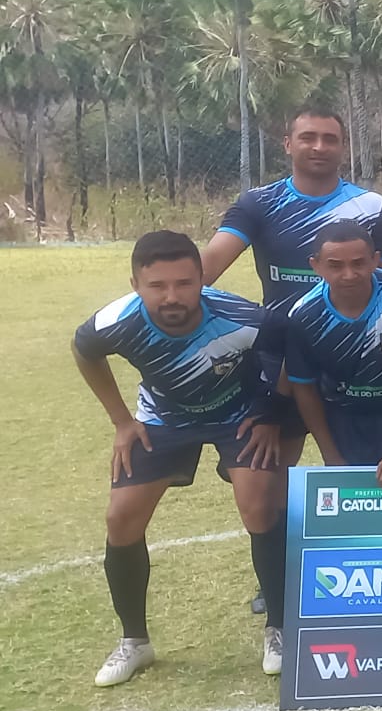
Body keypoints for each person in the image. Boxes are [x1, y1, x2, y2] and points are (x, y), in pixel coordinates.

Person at [202, 103, 382, 614]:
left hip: (358, 362)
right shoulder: (259, 204)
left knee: (367, 474)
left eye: (329, 138)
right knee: (268, 488)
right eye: (308, 137)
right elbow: (204, 271)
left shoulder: (370, 206)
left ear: (343, 147)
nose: (319, 146)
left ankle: (376, 571)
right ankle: (277, 580)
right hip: (282, 370)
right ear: (287, 144)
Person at [73, 231, 288, 685]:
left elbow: (288, 350)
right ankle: (135, 641)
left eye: (184, 283)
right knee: (120, 518)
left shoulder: (242, 317)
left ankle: (280, 629)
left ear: (201, 280)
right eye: (157, 286)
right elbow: (84, 351)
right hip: (163, 419)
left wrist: (271, 412)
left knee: (259, 504)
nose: (172, 296)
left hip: (238, 416)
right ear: (135, 284)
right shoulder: (115, 321)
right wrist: (121, 421)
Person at [285, 220, 382, 486]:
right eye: (335, 265)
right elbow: (303, 387)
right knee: (355, 503)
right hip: (344, 421)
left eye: (358, 263)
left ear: (375, 261)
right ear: (316, 266)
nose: (349, 274)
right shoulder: (304, 315)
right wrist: (331, 455)